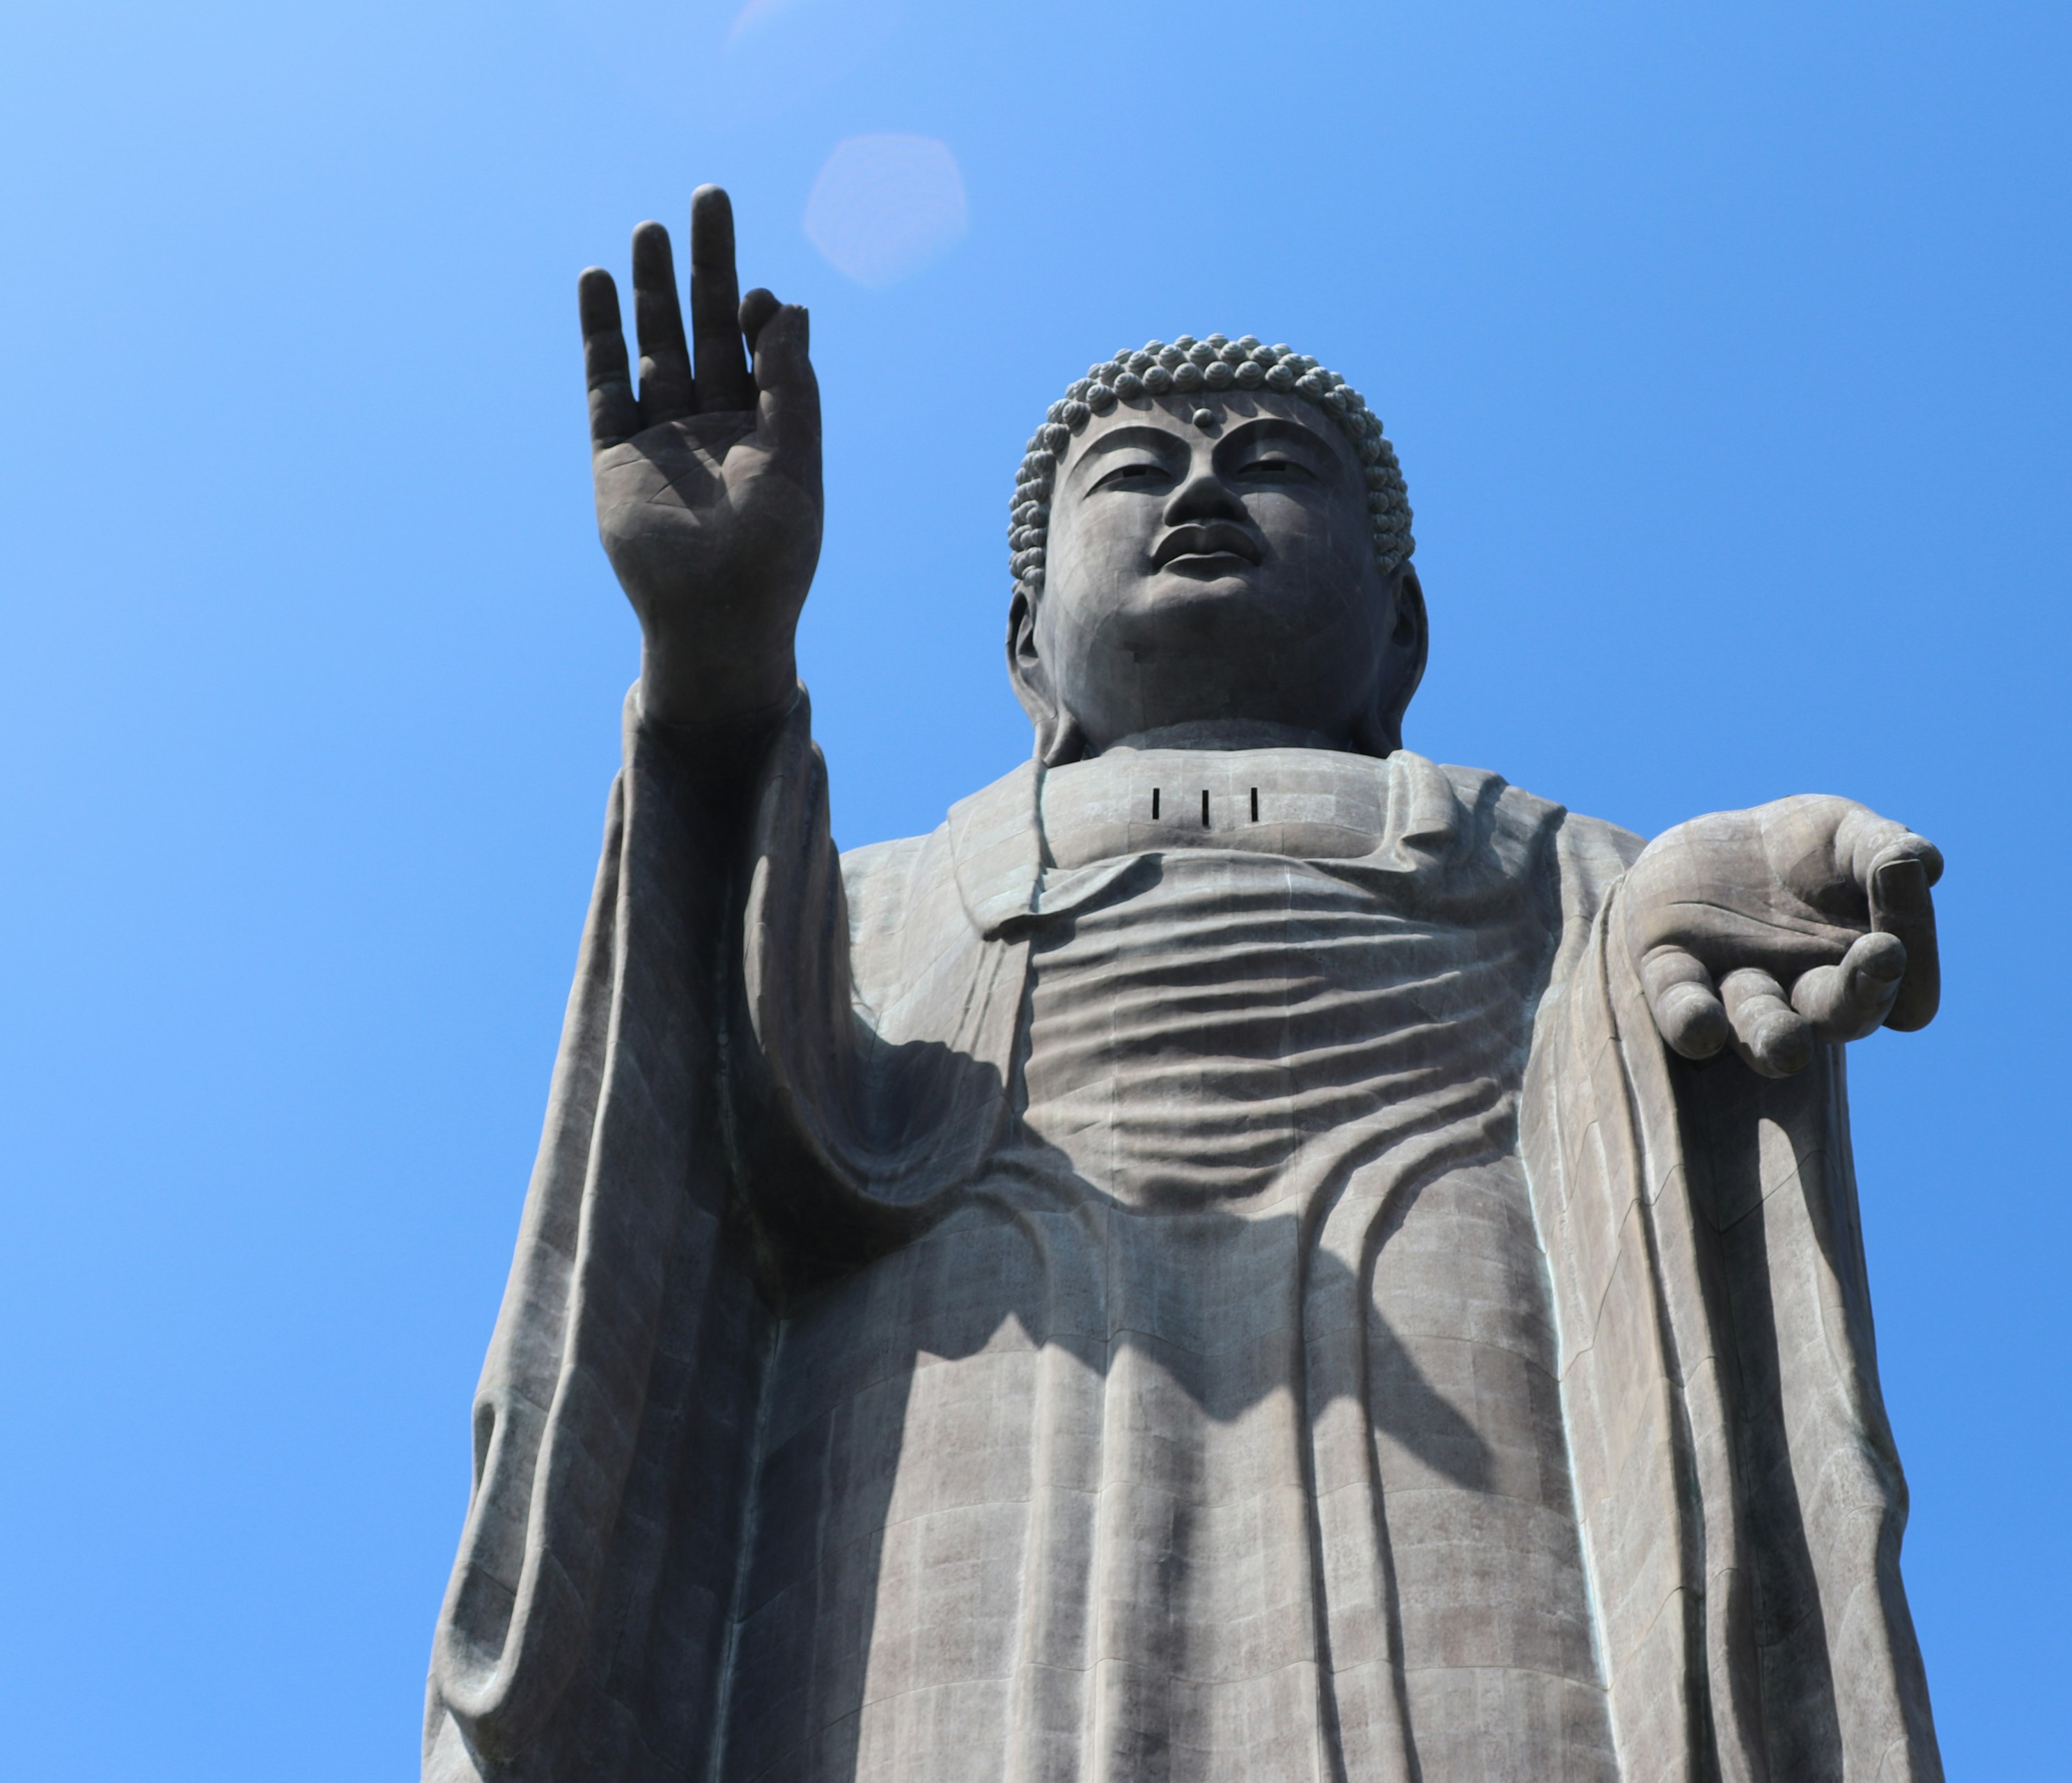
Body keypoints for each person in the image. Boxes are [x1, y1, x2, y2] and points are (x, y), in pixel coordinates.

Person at [426, 186, 1949, 1783]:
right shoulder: (882, 889)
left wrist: (1669, 939)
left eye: (1277, 469)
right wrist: (718, 658)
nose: (1206, 486)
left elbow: (1625, 1061)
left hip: (1458, 1403)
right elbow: (710, 1128)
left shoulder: (1540, 858)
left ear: (1400, 633)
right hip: (958, 1409)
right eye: (1137, 471)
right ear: (1029, 649)